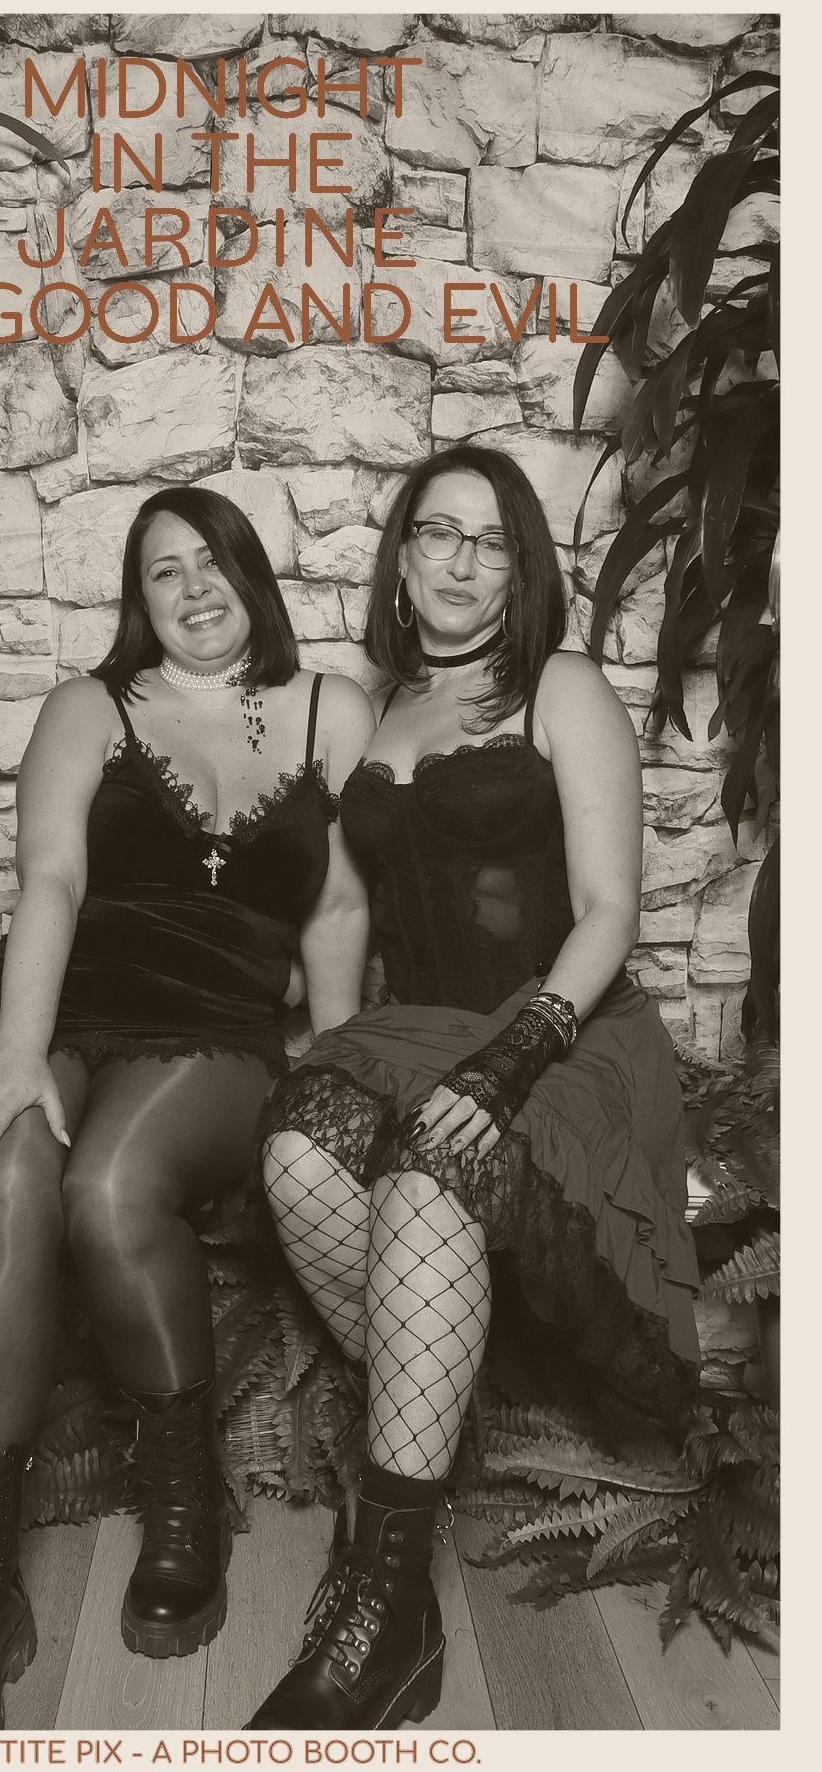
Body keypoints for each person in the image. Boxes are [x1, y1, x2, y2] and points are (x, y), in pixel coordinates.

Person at [0, 487, 373, 1730]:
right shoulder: (87, 708)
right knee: (12, 1165)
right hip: (50, 1003)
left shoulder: (332, 711)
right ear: (137, 598)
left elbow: (335, 908)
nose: (194, 587)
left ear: (251, 575)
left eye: (213, 561)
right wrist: (19, 1053)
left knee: (109, 1188)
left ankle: (181, 1500)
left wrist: (334, 1066)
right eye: (164, 570)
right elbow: (52, 878)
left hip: (211, 1025)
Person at [248, 446, 701, 1731]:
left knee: (432, 1167)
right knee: (297, 1152)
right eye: (437, 534)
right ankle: (427, 1451)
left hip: (564, 1027)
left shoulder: (562, 687)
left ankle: (383, 1606)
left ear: (520, 568)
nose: (459, 561)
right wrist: (333, 1056)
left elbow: (609, 908)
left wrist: (512, 1060)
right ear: (401, 557)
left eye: (489, 541)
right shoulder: (378, 710)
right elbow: (343, 907)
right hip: (415, 1028)